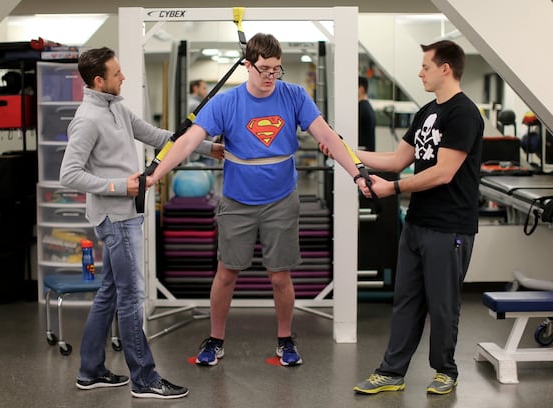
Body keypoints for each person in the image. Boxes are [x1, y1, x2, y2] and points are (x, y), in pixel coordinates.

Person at [149, 33, 363, 367]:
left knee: (280, 276)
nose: (270, 77)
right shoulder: (226, 102)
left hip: (281, 199)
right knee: (227, 273)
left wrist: (358, 172)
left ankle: (285, 339)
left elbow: (328, 137)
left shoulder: (294, 95)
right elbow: (188, 142)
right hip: (237, 201)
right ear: (247, 65)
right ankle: (216, 339)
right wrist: (154, 176)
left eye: (276, 70)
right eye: (263, 69)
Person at [59, 47, 222, 399]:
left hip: (125, 214)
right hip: (116, 218)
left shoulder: (115, 107)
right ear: (99, 80)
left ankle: (90, 371)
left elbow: (157, 136)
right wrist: (120, 186)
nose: (124, 77)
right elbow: (69, 174)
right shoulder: (87, 118)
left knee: (109, 293)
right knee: (132, 298)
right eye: (117, 73)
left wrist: (209, 148)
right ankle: (144, 379)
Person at [351, 40, 484, 395]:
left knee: (442, 306)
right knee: (406, 300)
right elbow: (397, 161)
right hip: (417, 223)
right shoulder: (426, 111)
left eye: (426, 66)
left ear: (445, 68)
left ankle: (446, 371)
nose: (420, 72)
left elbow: (443, 173)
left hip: (450, 226)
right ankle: (391, 372)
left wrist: (392, 189)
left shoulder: (465, 114)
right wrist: (346, 149)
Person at [358, 76, 376, 152]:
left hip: (363, 154)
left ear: (361, 89)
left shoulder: (361, 108)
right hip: (369, 153)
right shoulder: (368, 107)